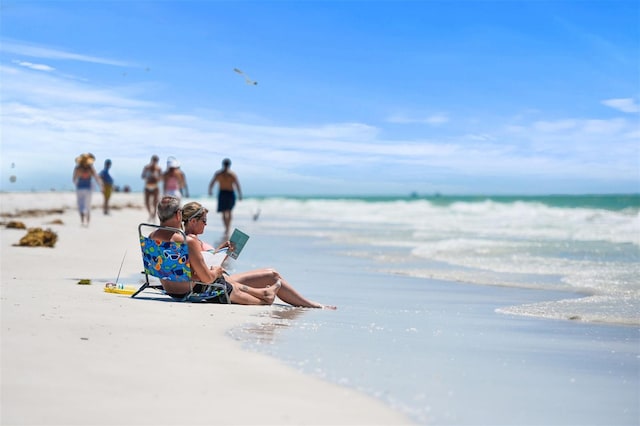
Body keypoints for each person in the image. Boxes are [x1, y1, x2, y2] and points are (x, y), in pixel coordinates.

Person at [181, 201, 336, 309]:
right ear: (193, 221)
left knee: (271, 273)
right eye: (204, 220)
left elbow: (202, 264)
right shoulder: (191, 241)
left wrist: (222, 251)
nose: (206, 224)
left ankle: (305, 302)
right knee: (272, 277)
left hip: (214, 280)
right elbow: (205, 275)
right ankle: (309, 304)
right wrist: (217, 269)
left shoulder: (185, 239)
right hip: (212, 283)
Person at [151, 196, 281, 305]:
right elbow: (207, 279)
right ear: (179, 215)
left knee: (222, 281)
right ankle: (263, 300)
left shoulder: (152, 237)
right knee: (222, 282)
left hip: (170, 290)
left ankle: (264, 294)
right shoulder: (187, 242)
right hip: (189, 291)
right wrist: (216, 271)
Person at [208, 158, 242, 237]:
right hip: (223, 193)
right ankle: (226, 228)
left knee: (229, 211)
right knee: (224, 212)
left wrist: (240, 194)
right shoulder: (219, 174)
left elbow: (237, 185)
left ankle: (228, 228)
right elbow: (212, 183)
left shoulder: (232, 174)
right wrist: (210, 190)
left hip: (230, 193)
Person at [72, 153, 102, 226]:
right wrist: (101, 186)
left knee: (80, 205)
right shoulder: (90, 168)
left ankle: (82, 221)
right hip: (88, 188)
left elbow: (74, 179)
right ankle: (87, 221)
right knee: (87, 205)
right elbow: (96, 177)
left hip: (80, 188)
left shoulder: (77, 168)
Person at [141, 155, 162, 221]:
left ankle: (154, 216)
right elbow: (142, 176)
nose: (154, 162)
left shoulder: (158, 168)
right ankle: (150, 214)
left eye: (156, 161)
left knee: (155, 203)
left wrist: (156, 177)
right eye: (153, 160)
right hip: (148, 186)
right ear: (151, 160)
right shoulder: (146, 167)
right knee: (147, 202)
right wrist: (148, 176)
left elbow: (160, 178)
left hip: (155, 187)